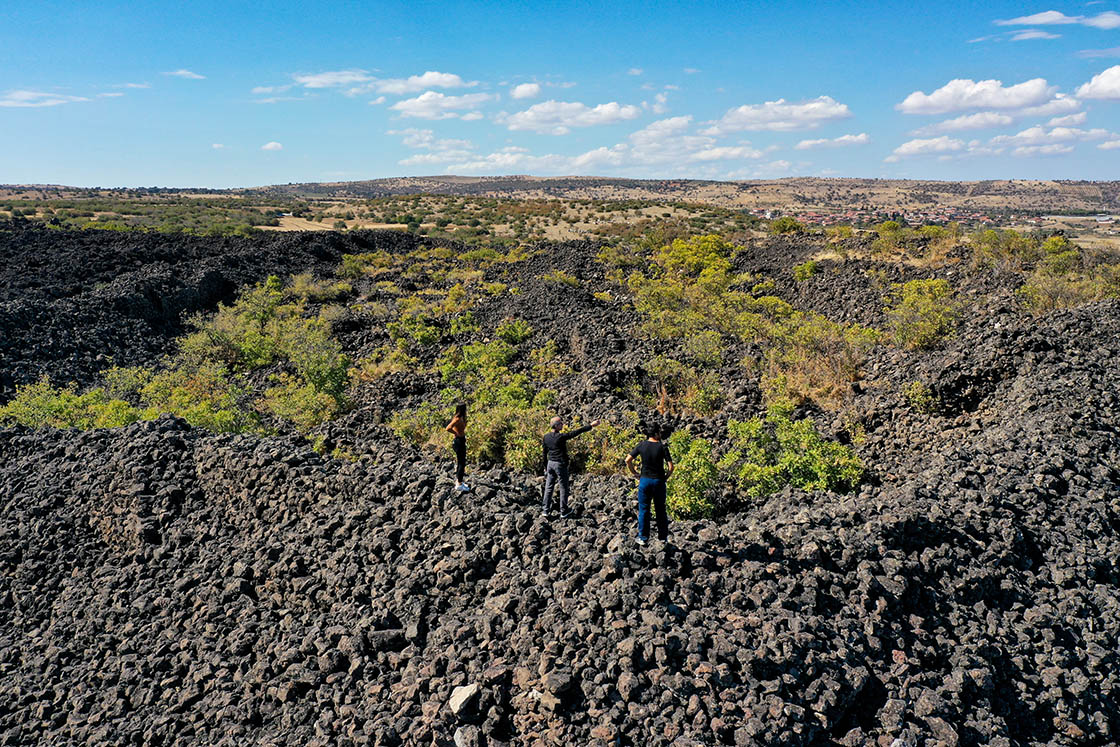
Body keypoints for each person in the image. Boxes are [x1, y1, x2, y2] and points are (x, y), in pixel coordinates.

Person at [625, 422, 674, 546]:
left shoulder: (642, 445)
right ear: (657, 433)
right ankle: (662, 538)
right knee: (660, 510)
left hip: (645, 480)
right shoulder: (662, 447)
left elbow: (628, 460)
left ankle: (643, 537)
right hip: (658, 481)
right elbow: (671, 467)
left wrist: (635, 473)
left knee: (644, 510)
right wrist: (665, 478)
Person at [542, 415, 601, 518]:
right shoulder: (560, 437)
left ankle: (545, 510)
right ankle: (564, 511)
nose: (562, 424)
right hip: (560, 464)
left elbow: (544, 453)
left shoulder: (546, 437)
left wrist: (545, 466)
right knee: (563, 487)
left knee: (549, 487)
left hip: (550, 464)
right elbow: (576, 432)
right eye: (560, 423)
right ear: (556, 426)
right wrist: (591, 425)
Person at [445, 403, 470, 493]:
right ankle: (459, 485)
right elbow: (448, 428)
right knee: (461, 463)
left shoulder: (460, 417)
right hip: (458, 441)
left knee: (461, 462)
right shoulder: (457, 418)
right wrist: (456, 433)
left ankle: (459, 481)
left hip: (461, 440)